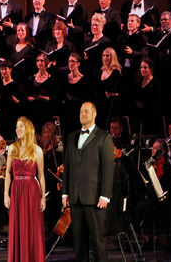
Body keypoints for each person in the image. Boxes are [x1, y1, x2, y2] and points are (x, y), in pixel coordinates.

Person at [62, 102, 114, 262]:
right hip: (76, 198)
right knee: (79, 244)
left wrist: (105, 195)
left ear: (94, 114)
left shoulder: (104, 137)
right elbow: (68, 167)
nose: (83, 114)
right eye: (81, 111)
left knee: (98, 242)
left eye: (86, 111)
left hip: (95, 198)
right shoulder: (71, 137)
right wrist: (65, 192)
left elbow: (108, 168)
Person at [4, 116, 46, 261]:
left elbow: (41, 176)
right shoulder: (11, 148)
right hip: (16, 190)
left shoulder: (37, 150)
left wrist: (42, 198)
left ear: (28, 129)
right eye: (17, 126)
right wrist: (6, 195)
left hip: (32, 191)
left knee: (32, 228)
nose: (18, 129)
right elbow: (8, 174)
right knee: (18, 227)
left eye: (21, 126)